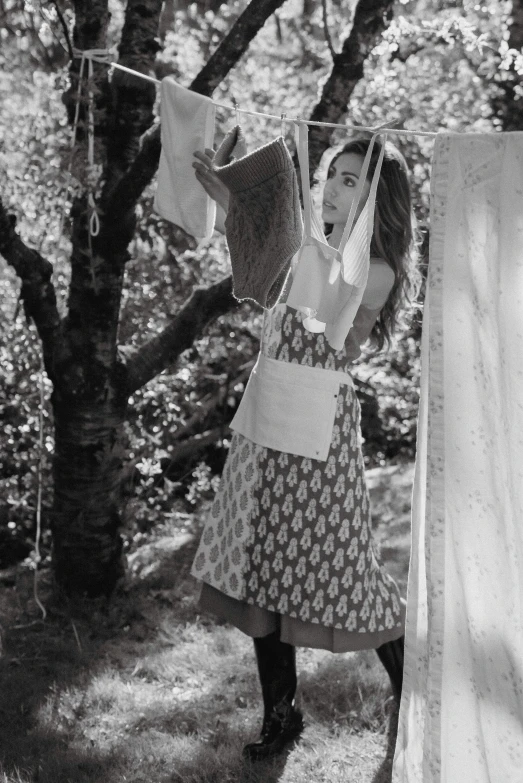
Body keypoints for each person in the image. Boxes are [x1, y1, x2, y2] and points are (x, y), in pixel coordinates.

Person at [190, 129, 421, 761]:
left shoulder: (372, 269)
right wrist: (230, 204)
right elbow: (273, 272)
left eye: (353, 181)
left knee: (344, 566)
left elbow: (312, 290)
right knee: (262, 563)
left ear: (377, 198)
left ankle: (412, 689)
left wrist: (261, 218)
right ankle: (281, 715)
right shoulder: (312, 251)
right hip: (269, 418)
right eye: (333, 176)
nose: (336, 189)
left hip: (320, 431)